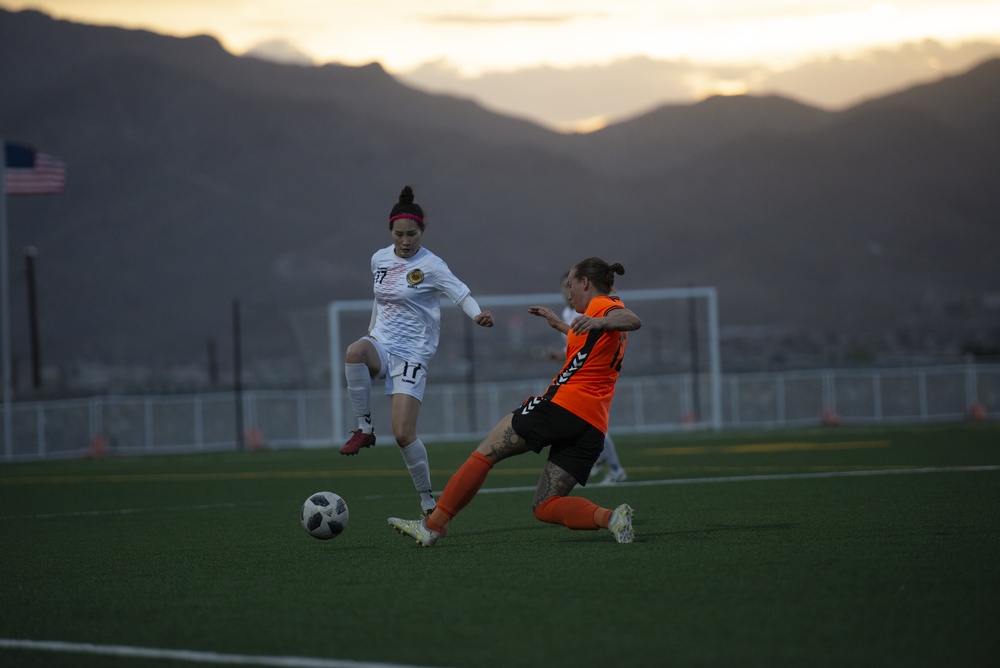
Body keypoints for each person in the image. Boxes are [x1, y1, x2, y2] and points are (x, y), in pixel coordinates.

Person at [388, 257, 641, 546]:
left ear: (586, 283)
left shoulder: (603, 307)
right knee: (545, 505)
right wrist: (559, 324)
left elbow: (632, 319)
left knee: (485, 453)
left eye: (571, 285)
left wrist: (601, 319)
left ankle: (431, 527)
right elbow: (590, 341)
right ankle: (611, 518)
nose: (568, 293)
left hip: (562, 407)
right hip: (593, 424)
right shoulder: (598, 322)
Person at [340, 185, 494, 518]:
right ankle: (364, 429)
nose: (406, 241)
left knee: (403, 433)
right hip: (382, 342)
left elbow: (461, 295)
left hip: (412, 354)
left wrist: (477, 314)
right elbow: (379, 299)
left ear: (422, 230)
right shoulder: (378, 259)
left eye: (412, 234)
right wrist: (371, 331)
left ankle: (426, 499)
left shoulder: (433, 265)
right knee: (354, 352)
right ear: (390, 232)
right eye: (399, 235)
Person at [553, 272, 628, 485]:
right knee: (582, 423)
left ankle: (614, 468)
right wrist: (559, 354)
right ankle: (599, 462)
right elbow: (577, 344)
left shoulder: (593, 310)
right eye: (563, 287)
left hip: (591, 377)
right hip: (578, 375)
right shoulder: (569, 313)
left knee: (592, 424)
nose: (567, 292)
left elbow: (593, 342)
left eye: (570, 286)